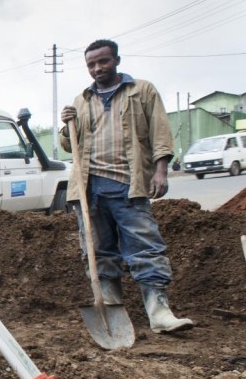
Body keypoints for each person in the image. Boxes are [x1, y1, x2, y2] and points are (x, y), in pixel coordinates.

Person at [60, 39, 193, 333]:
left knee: (145, 247)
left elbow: (160, 131)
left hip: (128, 185)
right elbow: (70, 144)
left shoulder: (141, 91)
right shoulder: (81, 100)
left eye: (103, 62)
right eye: (91, 64)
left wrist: (161, 171)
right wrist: (65, 125)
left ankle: (159, 312)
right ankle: (109, 306)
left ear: (116, 60)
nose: (97, 68)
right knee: (98, 251)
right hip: (89, 189)